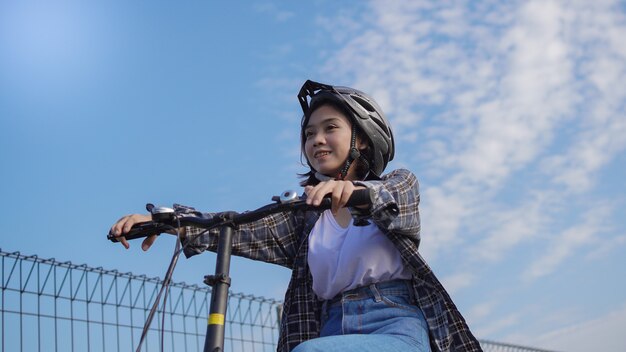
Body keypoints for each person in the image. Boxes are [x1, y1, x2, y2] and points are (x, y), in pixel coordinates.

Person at [110, 80, 482, 352]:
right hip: (330, 329)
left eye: (330, 128)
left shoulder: (397, 185)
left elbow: (393, 199)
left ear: (363, 139)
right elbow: (236, 228)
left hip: (396, 327)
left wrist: (353, 193)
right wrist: (171, 220)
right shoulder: (305, 219)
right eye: (309, 134)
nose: (317, 139)